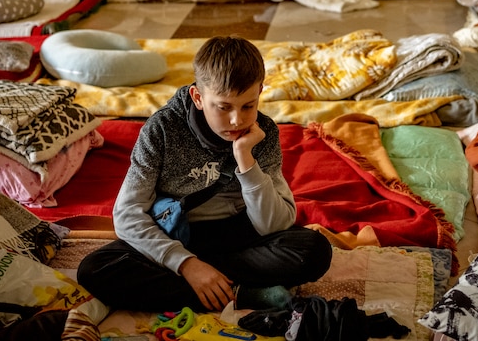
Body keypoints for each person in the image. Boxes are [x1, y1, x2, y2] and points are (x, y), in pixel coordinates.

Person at [77, 36, 333, 313]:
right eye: (223, 107)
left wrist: (246, 160)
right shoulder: (160, 130)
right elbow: (126, 214)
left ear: (260, 90)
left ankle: (214, 287)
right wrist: (186, 264)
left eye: (248, 105)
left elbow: (274, 224)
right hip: (177, 233)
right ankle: (242, 293)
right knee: (95, 270)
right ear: (198, 97)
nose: (238, 120)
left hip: (240, 234)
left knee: (314, 251)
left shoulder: (263, 132)